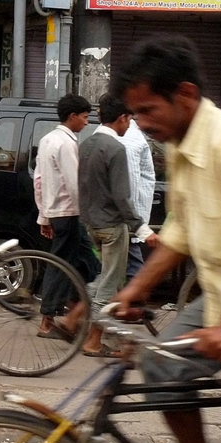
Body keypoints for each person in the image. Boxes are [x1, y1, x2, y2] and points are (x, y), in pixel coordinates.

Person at [111, 35, 221, 443]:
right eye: (135, 114)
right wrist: (134, 289)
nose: (143, 125)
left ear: (184, 94)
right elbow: (180, 230)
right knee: (160, 366)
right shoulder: (181, 146)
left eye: (148, 111)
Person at [77, 93, 142, 357]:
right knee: (110, 282)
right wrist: (139, 225)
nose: (130, 126)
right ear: (122, 118)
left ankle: (103, 336)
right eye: (130, 120)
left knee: (106, 279)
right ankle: (93, 340)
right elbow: (122, 196)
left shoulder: (87, 144)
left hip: (92, 223)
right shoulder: (116, 149)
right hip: (113, 226)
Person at [33, 93, 99, 342]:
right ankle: (48, 320)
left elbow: (38, 180)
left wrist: (44, 216)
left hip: (58, 212)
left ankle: (75, 315)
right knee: (61, 266)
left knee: (88, 266)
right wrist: (89, 214)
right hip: (70, 212)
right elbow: (74, 184)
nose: (86, 123)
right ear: (72, 117)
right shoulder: (67, 143)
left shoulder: (48, 139)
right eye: (84, 117)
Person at [120, 118, 159, 277]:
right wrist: (135, 222)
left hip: (121, 215)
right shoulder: (130, 138)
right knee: (132, 264)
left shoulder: (129, 135)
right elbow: (129, 184)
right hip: (126, 215)